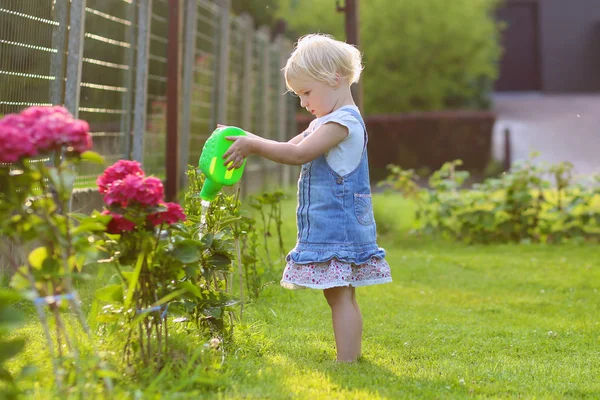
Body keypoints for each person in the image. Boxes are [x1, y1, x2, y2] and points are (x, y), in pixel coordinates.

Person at [222, 33, 392, 363]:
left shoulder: (342, 122)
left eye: (306, 92)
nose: (303, 102)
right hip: (335, 222)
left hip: (338, 225)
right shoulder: (324, 121)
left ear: (333, 79)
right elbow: (289, 145)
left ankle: (347, 361)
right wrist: (248, 139)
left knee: (339, 295)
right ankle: (350, 357)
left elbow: (297, 154)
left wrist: (253, 144)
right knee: (341, 295)